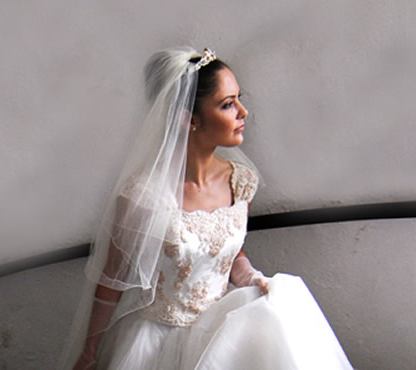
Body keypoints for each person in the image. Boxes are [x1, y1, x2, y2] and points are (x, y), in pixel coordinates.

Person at [60, 47, 352, 369]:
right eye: (228, 104)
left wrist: (252, 278)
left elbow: (229, 255)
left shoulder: (240, 182)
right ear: (190, 120)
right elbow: (113, 278)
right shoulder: (142, 197)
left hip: (221, 334)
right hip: (158, 343)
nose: (243, 112)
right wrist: (90, 350)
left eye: (239, 99)